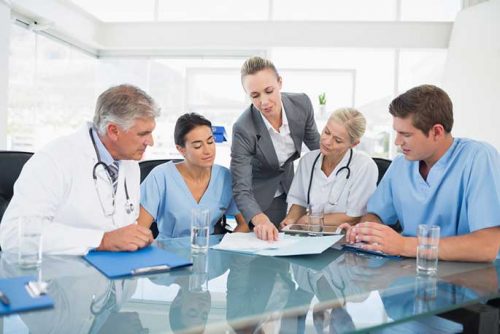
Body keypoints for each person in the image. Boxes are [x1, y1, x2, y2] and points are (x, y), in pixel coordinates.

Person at [343, 84, 500, 262]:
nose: (397, 142)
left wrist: (404, 246)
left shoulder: (478, 158)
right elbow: (376, 214)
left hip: (471, 278)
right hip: (410, 272)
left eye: (406, 134)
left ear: (437, 132)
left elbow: (487, 246)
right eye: (396, 132)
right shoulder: (400, 165)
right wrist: (367, 231)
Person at [0, 84, 159, 255]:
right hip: (60, 275)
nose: (150, 142)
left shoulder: (129, 163)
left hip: (113, 271)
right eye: (143, 134)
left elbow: (120, 224)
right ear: (113, 131)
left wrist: (136, 238)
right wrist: (101, 240)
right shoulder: (54, 159)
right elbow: (13, 236)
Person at [231, 56, 320, 241]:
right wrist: (259, 218)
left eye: (269, 91)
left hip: (290, 188)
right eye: (255, 95)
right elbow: (241, 188)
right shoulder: (243, 128)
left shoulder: (301, 104)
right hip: (258, 196)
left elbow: (318, 150)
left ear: (280, 82)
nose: (264, 102)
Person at [138, 113, 247, 237]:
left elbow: (244, 223)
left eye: (210, 142)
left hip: (210, 250)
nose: (208, 151)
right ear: (181, 149)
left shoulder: (225, 177)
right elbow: (139, 231)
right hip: (168, 251)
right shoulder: (160, 177)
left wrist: (226, 247)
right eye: (197, 146)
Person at [281, 108, 378, 228]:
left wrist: (310, 220)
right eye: (326, 132)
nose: (327, 142)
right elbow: (299, 201)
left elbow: (354, 217)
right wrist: (291, 219)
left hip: (344, 239)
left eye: (337, 140)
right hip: (310, 234)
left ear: (353, 144)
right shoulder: (308, 161)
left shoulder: (364, 166)